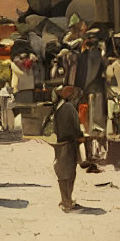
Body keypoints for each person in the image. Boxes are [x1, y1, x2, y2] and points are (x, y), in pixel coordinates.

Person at [52, 83, 84, 212]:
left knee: (62, 171)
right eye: (72, 93)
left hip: (59, 143)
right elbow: (76, 127)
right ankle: (67, 202)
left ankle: (66, 199)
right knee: (69, 173)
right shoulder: (69, 107)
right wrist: (81, 136)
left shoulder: (58, 107)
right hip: (69, 143)